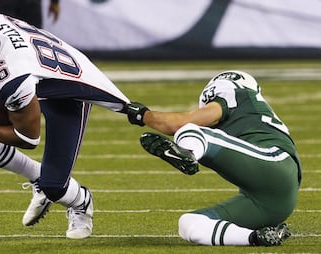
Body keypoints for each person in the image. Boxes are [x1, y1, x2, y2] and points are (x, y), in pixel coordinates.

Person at [0, 12, 130, 239]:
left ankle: (82, 201)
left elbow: (28, 139)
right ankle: (36, 177)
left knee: (54, 186)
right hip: (35, 74)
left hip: (66, 93)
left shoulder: (12, 78)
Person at [126, 70, 301, 246]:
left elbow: (178, 123)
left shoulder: (236, 94)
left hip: (274, 160)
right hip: (274, 201)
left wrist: (144, 115)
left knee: (189, 130)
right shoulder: (250, 108)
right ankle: (258, 237)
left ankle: (188, 153)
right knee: (190, 224)